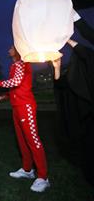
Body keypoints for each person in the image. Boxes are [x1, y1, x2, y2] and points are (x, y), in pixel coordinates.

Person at [0, 46, 50, 193]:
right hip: (17, 107)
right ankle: (27, 170)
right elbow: (18, 87)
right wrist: (4, 96)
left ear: (18, 50)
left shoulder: (22, 63)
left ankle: (43, 177)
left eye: (11, 47)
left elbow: (16, 81)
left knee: (33, 140)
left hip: (26, 107)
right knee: (22, 141)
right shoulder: (15, 65)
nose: (8, 49)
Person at [52, 39, 94, 187]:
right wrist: (56, 67)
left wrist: (66, 38)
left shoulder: (88, 61)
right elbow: (61, 85)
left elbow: (87, 55)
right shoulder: (77, 73)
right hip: (85, 120)